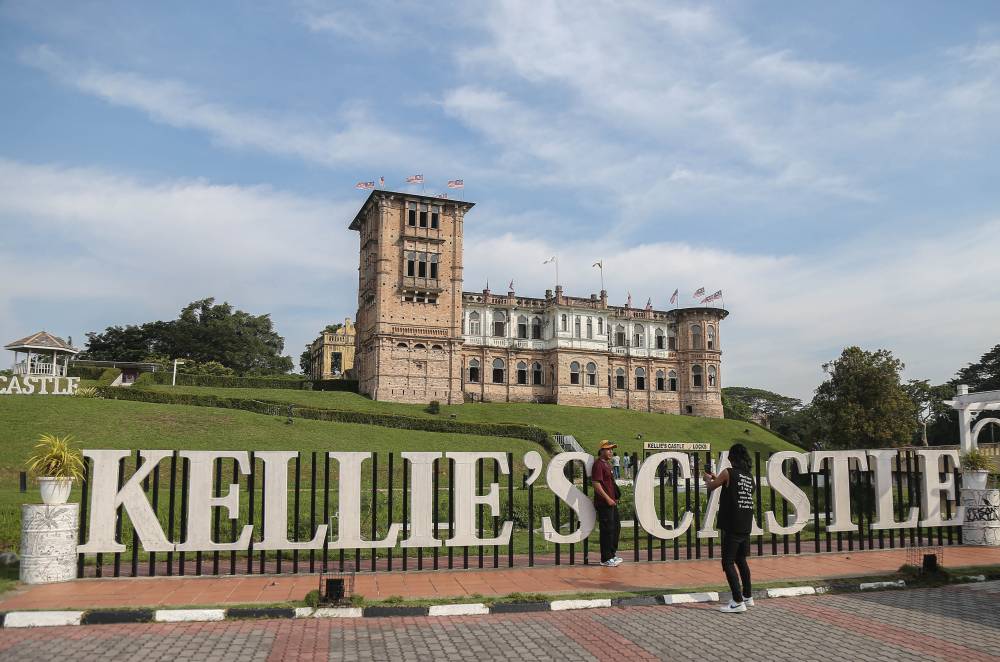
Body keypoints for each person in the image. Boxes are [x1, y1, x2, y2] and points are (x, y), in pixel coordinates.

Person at [703, 443, 756, 613]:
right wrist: (715, 477)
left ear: (732, 458)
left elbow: (712, 487)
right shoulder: (749, 476)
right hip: (746, 523)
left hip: (732, 523)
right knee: (741, 560)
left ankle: (737, 600)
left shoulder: (728, 472)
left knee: (727, 562)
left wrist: (707, 479)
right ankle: (748, 596)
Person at [592, 441, 622, 567]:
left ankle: (612, 554)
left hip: (611, 502)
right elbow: (596, 483)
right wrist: (607, 498)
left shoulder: (607, 464)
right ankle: (605, 558)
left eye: (612, 449)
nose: (611, 452)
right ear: (602, 450)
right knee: (607, 530)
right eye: (608, 449)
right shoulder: (598, 464)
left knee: (616, 527)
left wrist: (614, 496)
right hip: (604, 503)